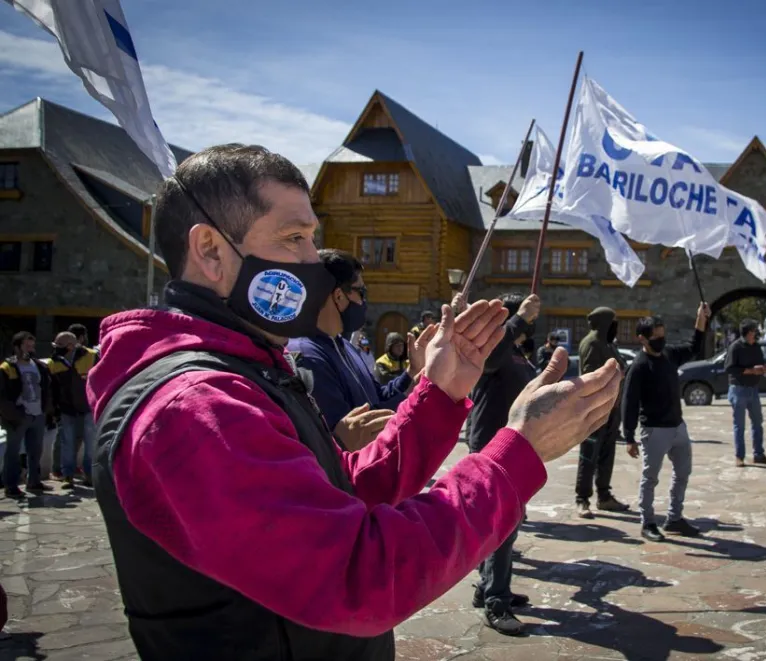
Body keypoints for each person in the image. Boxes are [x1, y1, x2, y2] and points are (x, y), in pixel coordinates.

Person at [87, 144, 622, 661]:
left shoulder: (248, 369)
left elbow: (338, 491)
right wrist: (516, 454)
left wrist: (439, 397)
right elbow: (354, 577)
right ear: (209, 250)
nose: (313, 261)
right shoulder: (194, 409)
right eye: (292, 237)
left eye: (312, 238)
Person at [288, 250, 426, 438]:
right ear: (338, 296)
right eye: (361, 292)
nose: (364, 301)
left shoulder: (345, 346)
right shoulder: (308, 357)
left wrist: (413, 371)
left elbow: (378, 396)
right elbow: (354, 434)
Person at [466, 292, 540, 635]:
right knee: (502, 525)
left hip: (515, 445)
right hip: (491, 446)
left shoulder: (518, 352)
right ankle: (496, 602)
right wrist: (519, 319)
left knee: (506, 522)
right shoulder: (490, 350)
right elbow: (492, 358)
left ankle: (490, 586)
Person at [622, 303, 709, 543]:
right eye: (656, 337)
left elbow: (694, 347)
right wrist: (629, 437)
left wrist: (700, 320)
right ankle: (647, 522)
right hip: (654, 430)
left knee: (683, 473)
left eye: (662, 335)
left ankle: (674, 518)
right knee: (650, 478)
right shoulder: (639, 367)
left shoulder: (670, 354)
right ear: (642, 338)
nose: (661, 340)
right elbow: (629, 402)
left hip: (678, 427)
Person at [575, 307, 629, 518]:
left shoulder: (608, 343)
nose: (616, 326)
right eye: (613, 322)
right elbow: (590, 376)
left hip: (611, 409)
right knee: (589, 455)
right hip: (594, 410)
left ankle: (604, 496)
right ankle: (582, 499)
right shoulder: (591, 344)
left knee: (607, 455)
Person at [1, 332, 53, 498]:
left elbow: (46, 389)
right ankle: (11, 485)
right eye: (27, 346)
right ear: (17, 347)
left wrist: (48, 411)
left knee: (35, 451)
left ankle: (34, 481)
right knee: (13, 452)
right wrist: (13, 415)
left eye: (32, 346)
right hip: (18, 417)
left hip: (38, 414)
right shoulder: (7, 368)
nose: (30, 349)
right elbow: (2, 396)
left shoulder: (39, 366)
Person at [48, 331, 99, 488]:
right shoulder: (54, 362)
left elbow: (101, 378)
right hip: (66, 409)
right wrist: (53, 410)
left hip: (88, 407)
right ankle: (68, 476)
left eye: (60, 346)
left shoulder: (91, 356)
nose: (56, 349)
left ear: (71, 346)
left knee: (91, 444)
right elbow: (52, 388)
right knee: (67, 443)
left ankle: (89, 475)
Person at [725, 319, 766, 467]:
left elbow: (759, 363)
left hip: (753, 389)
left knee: (758, 423)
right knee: (739, 425)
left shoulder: (756, 347)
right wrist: (751, 370)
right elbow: (729, 368)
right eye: (754, 331)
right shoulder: (735, 347)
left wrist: (764, 369)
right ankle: (739, 456)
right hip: (738, 389)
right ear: (748, 332)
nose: (756, 334)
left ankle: (758, 454)